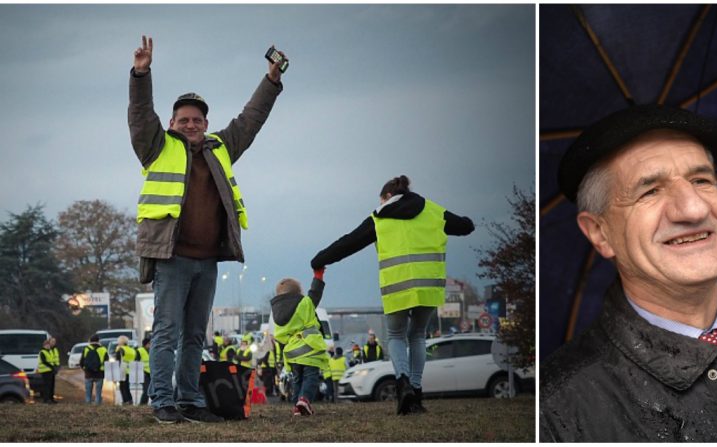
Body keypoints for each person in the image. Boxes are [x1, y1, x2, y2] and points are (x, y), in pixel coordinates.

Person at [539, 104, 717, 442]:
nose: (694, 208)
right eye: (650, 190)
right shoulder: (558, 411)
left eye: (701, 180)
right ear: (600, 233)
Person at [127, 35, 286, 424]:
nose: (191, 124)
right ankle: (162, 400)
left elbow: (251, 119)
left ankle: (189, 401)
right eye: (184, 119)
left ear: (206, 124)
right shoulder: (156, 145)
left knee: (195, 336)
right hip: (172, 259)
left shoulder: (221, 146)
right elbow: (139, 113)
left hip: (207, 261)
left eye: (197, 119)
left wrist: (271, 79)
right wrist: (141, 74)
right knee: (166, 332)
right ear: (172, 123)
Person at [311, 175, 474, 415]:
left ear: (387, 197)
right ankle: (416, 393)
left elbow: (349, 243)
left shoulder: (380, 217)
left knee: (396, 336)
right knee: (417, 336)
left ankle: (403, 383)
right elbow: (465, 226)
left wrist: (319, 260)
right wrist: (469, 221)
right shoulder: (432, 211)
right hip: (428, 285)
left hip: (397, 287)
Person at [270, 272, 328, 416]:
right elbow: (315, 293)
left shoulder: (277, 313)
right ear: (297, 294)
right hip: (309, 348)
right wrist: (318, 276)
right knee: (311, 376)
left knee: (298, 379)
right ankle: (305, 400)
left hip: (292, 352)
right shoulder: (304, 303)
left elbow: (280, 337)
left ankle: (297, 406)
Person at [80, 334, 109, 404]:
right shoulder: (103, 349)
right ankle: (98, 402)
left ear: (90, 341)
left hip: (88, 373)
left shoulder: (86, 349)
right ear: (98, 341)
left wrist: (84, 369)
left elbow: (82, 361)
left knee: (88, 391)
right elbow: (106, 361)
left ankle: (88, 402)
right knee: (98, 391)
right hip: (99, 373)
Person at [115, 336, 136, 405]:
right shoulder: (132, 350)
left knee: (122, 387)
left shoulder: (120, 349)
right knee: (127, 386)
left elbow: (118, 360)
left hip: (122, 369)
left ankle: (125, 401)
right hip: (130, 370)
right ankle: (130, 400)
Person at [37, 338, 58, 404]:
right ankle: (46, 399)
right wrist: (51, 366)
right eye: (47, 345)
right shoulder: (42, 352)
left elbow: (52, 360)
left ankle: (51, 399)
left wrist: (54, 367)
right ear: (44, 345)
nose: (48, 346)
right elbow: (44, 361)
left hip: (50, 370)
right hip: (45, 371)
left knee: (51, 385)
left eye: (49, 345)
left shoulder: (50, 351)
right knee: (47, 386)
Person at [136, 338, 151, 406]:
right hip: (143, 373)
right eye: (149, 343)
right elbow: (137, 363)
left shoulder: (151, 351)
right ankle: (142, 404)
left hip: (150, 373)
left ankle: (144, 404)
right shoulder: (139, 351)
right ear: (146, 344)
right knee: (146, 390)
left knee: (149, 390)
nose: (151, 345)